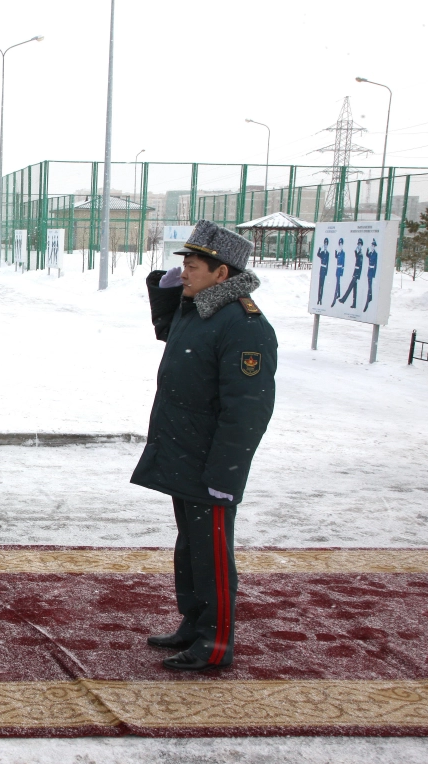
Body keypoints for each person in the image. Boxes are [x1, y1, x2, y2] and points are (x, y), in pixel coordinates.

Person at [134, 220, 278, 671]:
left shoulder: (244, 325)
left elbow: (248, 410)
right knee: (190, 546)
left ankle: (216, 642)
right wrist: (167, 287)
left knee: (213, 552)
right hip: (183, 450)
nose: (185, 273)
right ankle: (193, 623)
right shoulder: (199, 310)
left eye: (193, 267)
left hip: (210, 462)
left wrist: (225, 473)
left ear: (222, 274)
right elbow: (166, 328)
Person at [339, 237, 364, 309]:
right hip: (355, 272)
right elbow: (356, 255)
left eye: (359, 244)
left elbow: (360, 266)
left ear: (361, 245)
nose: (358, 246)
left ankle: (343, 299)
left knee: (350, 287)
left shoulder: (361, 254)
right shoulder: (358, 253)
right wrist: (356, 250)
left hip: (357, 273)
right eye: (358, 244)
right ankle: (354, 304)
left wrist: (358, 276)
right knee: (354, 289)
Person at [364, 238, 379, 312]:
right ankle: (370, 296)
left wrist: (374, 274)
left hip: (372, 270)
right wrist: (367, 249)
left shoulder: (375, 254)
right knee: (369, 284)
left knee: (370, 285)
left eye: (373, 245)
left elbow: (375, 264)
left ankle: (369, 297)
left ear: (374, 246)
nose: (372, 246)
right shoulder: (371, 253)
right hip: (369, 269)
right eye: (371, 245)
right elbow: (367, 255)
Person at [315, 237, 330, 305]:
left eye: (326, 244)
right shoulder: (322, 253)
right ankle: (318, 298)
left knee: (322, 285)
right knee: (319, 285)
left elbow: (328, 263)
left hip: (324, 269)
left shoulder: (327, 253)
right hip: (321, 269)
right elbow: (318, 254)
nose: (325, 246)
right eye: (325, 244)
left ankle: (321, 299)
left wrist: (326, 271)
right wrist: (320, 248)